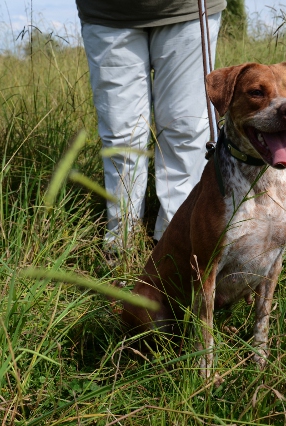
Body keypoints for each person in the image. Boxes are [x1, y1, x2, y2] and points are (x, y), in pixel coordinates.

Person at [76, 0, 225, 253]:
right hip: (105, 11)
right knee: (121, 138)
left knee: (186, 132)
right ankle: (121, 248)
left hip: (187, 8)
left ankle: (177, 248)